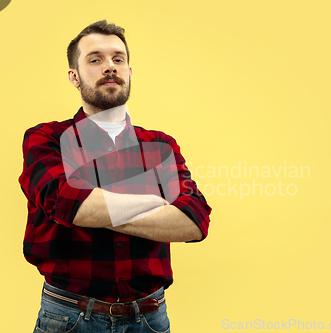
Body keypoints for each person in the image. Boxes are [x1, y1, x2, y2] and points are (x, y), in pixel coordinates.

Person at [18, 20, 211, 333]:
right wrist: (155, 202)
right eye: (95, 60)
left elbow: (194, 221)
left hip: (149, 319)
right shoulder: (46, 139)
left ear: (130, 73)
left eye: (118, 59)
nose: (110, 67)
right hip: (69, 317)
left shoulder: (160, 145)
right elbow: (70, 204)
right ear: (75, 77)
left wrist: (96, 205)